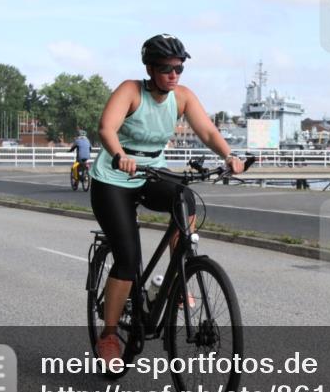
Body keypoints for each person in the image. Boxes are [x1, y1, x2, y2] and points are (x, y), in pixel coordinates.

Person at [90, 34, 244, 363]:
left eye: (179, 68)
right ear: (150, 68)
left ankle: (179, 274)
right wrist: (119, 156)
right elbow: (106, 128)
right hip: (114, 178)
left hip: (152, 174)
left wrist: (229, 156)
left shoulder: (182, 97)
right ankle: (108, 337)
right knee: (128, 260)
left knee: (184, 198)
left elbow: (208, 132)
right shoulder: (131, 91)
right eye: (166, 68)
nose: (174, 74)